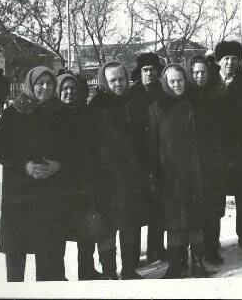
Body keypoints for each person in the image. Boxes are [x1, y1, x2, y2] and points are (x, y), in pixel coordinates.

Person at [0, 66, 67, 281]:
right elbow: (0, 148)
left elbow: (73, 147)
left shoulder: (59, 112)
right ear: (30, 84)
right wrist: (24, 166)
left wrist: (58, 165)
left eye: (49, 83)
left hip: (50, 192)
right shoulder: (13, 112)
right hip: (20, 193)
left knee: (49, 254)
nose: (45, 87)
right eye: (40, 83)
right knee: (17, 251)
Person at [146, 63, 214, 278]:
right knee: (173, 220)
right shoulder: (157, 108)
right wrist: (155, 174)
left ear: (186, 81)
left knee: (196, 218)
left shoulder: (196, 104)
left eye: (180, 80)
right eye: (172, 81)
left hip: (196, 172)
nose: (177, 84)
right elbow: (152, 144)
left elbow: (209, 139)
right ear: (165, 82)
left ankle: (198, 263)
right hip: (170, 174)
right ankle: (175, 265)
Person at [87, 61, 150, 279]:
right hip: (105, 178)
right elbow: (90, 145)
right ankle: (109, 272)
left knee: (130, 223)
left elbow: (145, 137)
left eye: (121, 79)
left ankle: (130, 268)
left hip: (131, 176)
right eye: (113, 80)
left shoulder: (135, 102)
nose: (118, 84)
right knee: (107, 227)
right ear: (105, 81)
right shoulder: (96, 106)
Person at [56, 72, 109, 280]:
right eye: (65, 89)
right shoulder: (54, 116)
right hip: (61, 182)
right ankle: (58, 274)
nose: (70, 92)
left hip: (85, 180)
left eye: (73, 89)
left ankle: (86, 269)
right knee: (60, 229)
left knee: (87, 226)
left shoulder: (86, 114)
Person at [214, 39, 242, 250]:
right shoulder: (211, 84)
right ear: (218, 62)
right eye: (225, 58)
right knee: (215, 197)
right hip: (217, 150)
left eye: (234, 58)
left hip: (241, 150)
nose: (230, 62)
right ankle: (213, 242)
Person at [184, 54, 226, 267]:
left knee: (214, 206)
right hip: (194, 160)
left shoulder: (216, 95)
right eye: (196, 73)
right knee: (197, 207)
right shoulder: (186, 98)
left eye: (203, 72)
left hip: (214, 158)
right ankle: (198, 250)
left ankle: (212, 247)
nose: (200, 76)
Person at [130, 52, 167, 263]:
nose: (150, 73)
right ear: (140, 73)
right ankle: (133, 254)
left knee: (158, 205)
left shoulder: (163, 92)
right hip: (138, 155)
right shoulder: (132, 93)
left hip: (159, 153)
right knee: (137, 207)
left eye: (153, 69)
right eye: (145, 70)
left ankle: (156, 248)